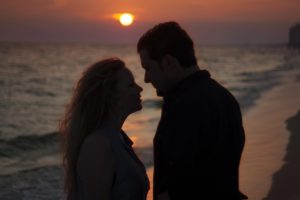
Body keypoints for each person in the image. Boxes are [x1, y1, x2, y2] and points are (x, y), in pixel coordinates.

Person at [137, 22, 248, 200]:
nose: (146, 78)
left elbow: (178, 186)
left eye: (148, 68)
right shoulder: (224, 97)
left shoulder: (184, 107)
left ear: (168, 62)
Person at [59, 58, 149, 200]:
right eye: (131, 85)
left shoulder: (120, 139)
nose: (140, 88)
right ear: (111, 96)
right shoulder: (98, 145)